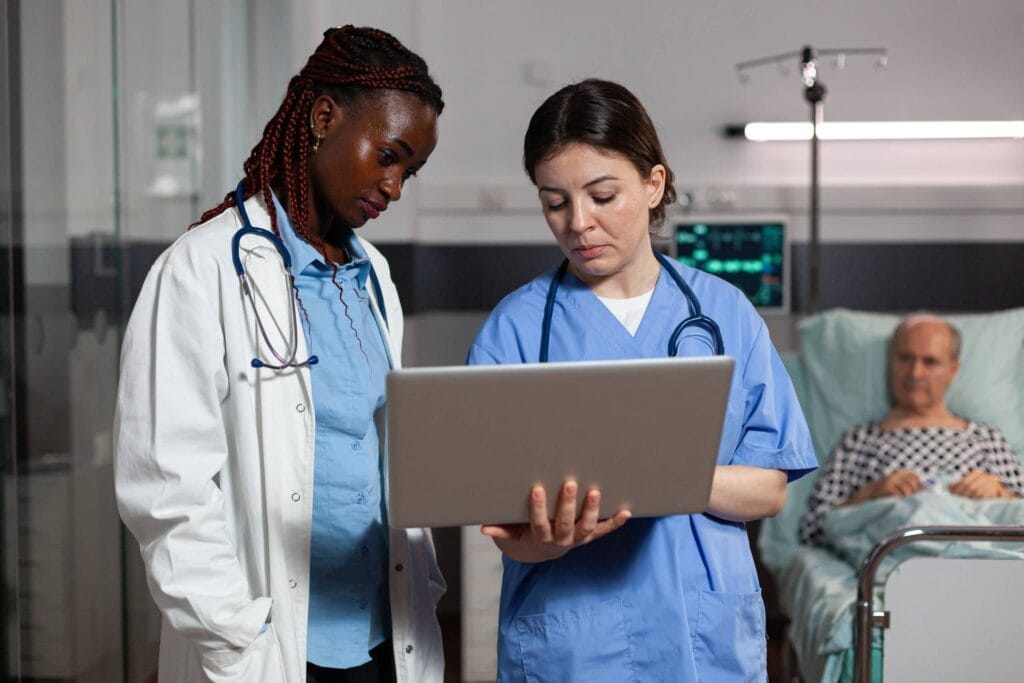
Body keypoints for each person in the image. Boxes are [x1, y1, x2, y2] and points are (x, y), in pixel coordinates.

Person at [114, 26, 446, 683]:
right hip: (269, 645)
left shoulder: (373, 275)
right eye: (388, 154)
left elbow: (381, 452)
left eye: (409, 169)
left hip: (384, 633)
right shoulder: (203, 267)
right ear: (324, 117)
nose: (396, 185)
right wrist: (237, 641)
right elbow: (166, 490)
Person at [466, 79, 817, 681]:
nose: (579, 223)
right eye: (555, 202)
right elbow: (507, 533)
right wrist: (553, 539)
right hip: (573, 647)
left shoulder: (725, 314)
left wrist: (664, 475)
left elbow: (770, 489)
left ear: (654, 185)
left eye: (603, 195)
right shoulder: (517, 329)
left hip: (702, 637)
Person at [800, 314, 1024, 545]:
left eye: (930, 362)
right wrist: (871, 493)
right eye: (905, 358)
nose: (915, 373)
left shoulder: (985, 438)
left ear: (952, 370)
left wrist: (1000, 494)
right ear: (891, 361)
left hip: (978, 548)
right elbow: (814, 527)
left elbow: (1019, 514)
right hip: (897, 551)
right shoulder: (860, 440)